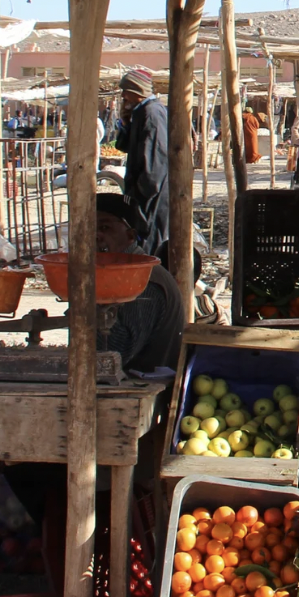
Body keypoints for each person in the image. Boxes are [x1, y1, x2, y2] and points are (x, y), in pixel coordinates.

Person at [96, 193, 184, 374]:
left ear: (131, 235)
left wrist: (86, 305)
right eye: (86, 228)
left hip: (143, 385)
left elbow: (117, 353)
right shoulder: (115, 273)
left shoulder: (143, 279)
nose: (95, 236)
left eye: (105, 227)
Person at [116, 68, 170, 260]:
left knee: (150, 243)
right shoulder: (141, 112)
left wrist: (142, 194)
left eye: (125, 91)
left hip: (151, 195)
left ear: (136, 90)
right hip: (143, 193)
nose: (123, 96)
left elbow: (155, 160)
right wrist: (125, 122)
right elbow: (123, 146)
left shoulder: (152, 113)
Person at [242, 97, 262, 164]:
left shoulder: (243, 117)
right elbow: (257, 126)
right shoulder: (253, 118)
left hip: (245, 134)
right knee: (253, 147)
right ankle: (254, 158)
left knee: (247, 147)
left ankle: (249, 159)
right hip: (253, 134)